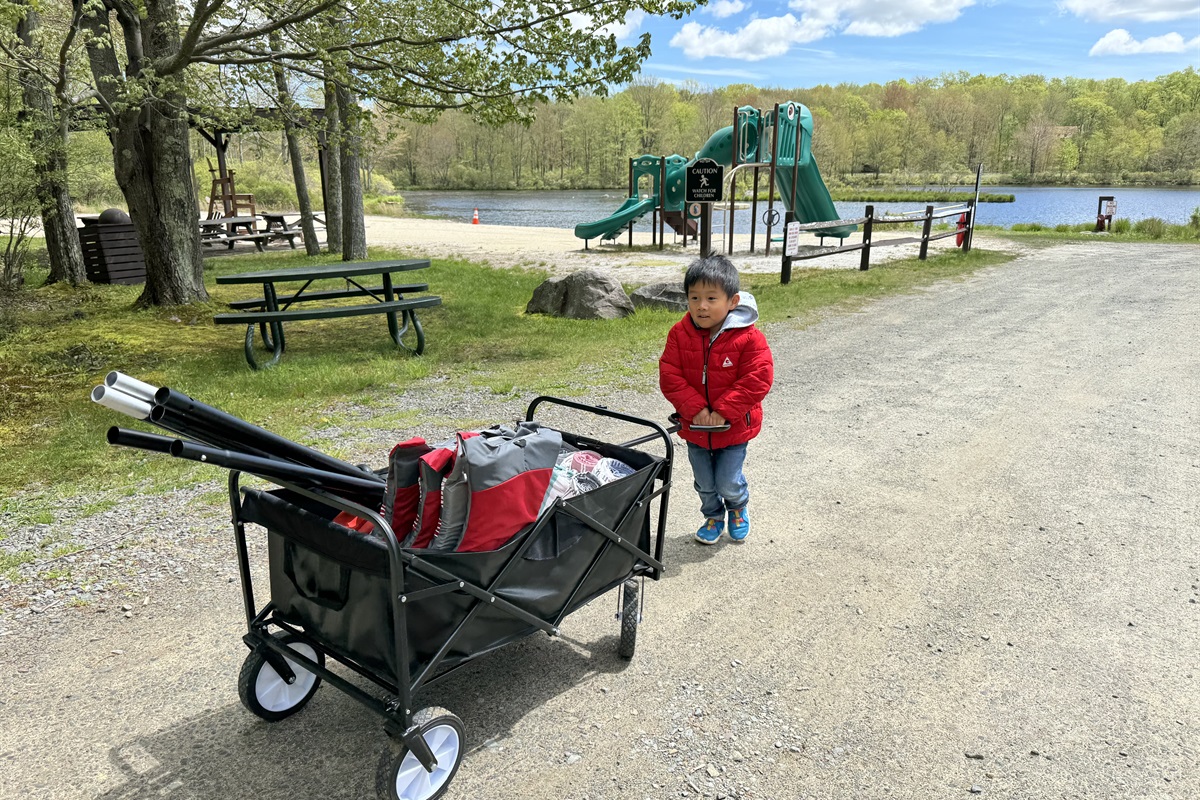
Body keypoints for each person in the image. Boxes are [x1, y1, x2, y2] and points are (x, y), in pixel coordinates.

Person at [659, 255, 774, 544]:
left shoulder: (749, 338)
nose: (702, 306)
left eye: (711, 298)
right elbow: (670, 374)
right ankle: (712, 515)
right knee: (704, 482)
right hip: (695, 427)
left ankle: (737, 506)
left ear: (732, 301)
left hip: (733, 427)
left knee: (727, 480)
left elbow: (758, 378)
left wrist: (723, 411)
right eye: (694, 297)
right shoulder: (679, 334)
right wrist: (695, 409)